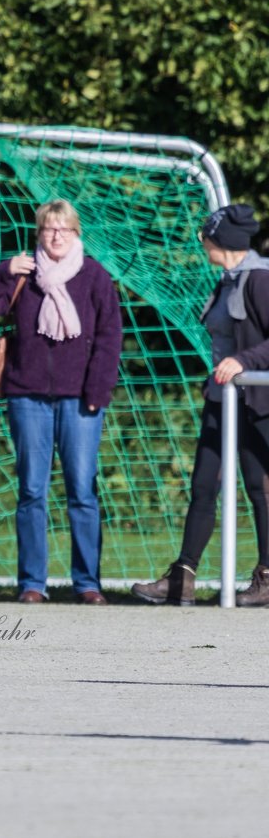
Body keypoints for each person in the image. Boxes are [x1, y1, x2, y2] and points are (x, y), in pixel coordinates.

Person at [0, 199, 123, 604]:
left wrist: (97, 392)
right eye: (48, 229)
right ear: (38, 233)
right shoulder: (24, 274)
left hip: (80, 401)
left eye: (64, 229)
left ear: (77, 234)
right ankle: (32, 584)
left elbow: (110, 340)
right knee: (32, 491)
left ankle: (88, 583)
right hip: (27, 396)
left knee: (82, 491)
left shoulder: (94, 277)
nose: (56, 236)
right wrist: (4, 273)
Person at [133, 204, 269, 606]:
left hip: (256, 401)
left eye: (206, 235)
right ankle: (182, 577)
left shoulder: (259, 279)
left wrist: (244, 362)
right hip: (221, 400)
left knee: (259, 488)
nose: (200, 242)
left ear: (223, 239)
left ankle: (266, 577)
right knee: (204, 485)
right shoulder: (226, 280)